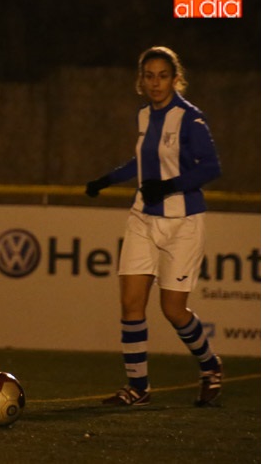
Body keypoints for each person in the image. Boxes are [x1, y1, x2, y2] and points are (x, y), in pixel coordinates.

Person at [85, 46, 223, 407]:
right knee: (131, 302)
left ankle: (210, 366)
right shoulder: (145, 115)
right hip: (143, 218)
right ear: (141, 81)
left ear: (176, 79)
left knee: (174, 310)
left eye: (163, 75)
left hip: (182, 223)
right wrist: (106, 179)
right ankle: (138, 388)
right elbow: (143, 161)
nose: (156, 82)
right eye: (149, 76)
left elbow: (211, 168)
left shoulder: (190, 119)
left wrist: (171, 185)